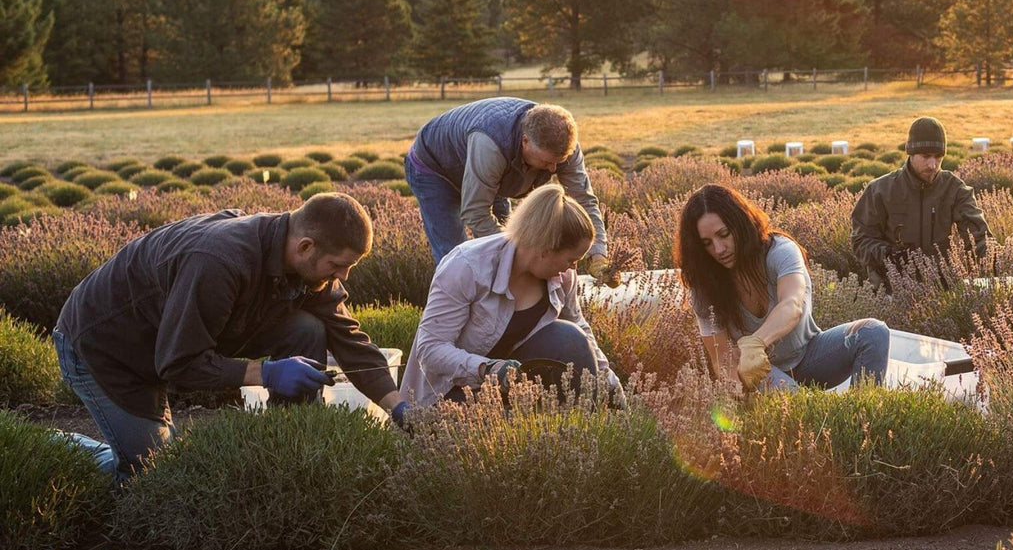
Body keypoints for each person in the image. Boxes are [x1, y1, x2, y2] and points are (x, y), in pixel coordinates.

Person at [52, 192, 404, 483]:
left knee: (308, 329)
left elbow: (349, 339)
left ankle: (285, 452)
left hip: (172, 336)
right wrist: (267, 373)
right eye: (339, 265)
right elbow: (178, 365)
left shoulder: (304, 263)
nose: (343, 276)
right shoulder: (219, 261)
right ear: (306, 246)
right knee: (157, 477)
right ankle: (57, 450)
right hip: (105, 349)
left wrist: (400, 407)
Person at [401, 183, 620, 408]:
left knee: (570, 336)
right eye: (571, 259)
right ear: (545, 249)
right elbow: (430, 349)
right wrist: (488, 369)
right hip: (449, 390)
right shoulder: (467, 267)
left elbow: (580, 329)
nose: (574, 267)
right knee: (507, 428)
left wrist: (609, 382)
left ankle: (590, 423)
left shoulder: (562, 276)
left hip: (514, 382)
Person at [677, 183, 889, 391]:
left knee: (873, 332)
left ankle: (862, 420)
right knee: (802, 408)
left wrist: (756, 343)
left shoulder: (779, 250)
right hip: (759, 371)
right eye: (707, 243)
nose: (719, 249)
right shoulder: (703, 284)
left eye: (724, 235)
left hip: (810, 357)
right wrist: (737, 390)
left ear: (740, 224)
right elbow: (721, 357)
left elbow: (792, 304)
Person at [405, 97, 614, 283]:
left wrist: (598, 255)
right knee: (454, 253)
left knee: (512, 238)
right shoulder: (491, 144)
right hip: (434, 169)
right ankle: (457, 313)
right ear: (525, 142)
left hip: (493, 171)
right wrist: (523, 255)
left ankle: (508, 308)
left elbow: (584, 201)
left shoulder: (564, 148)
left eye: (558, 163)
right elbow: (475, 211)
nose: (553, 170)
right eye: (547, 162)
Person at [850, 116, 991, 290]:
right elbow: (861, 240)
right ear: (910, 153)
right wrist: (889, 255)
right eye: (925, 156)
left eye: (938, 157)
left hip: (942, 291)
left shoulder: (955, 189)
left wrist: (1001, 259)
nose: (932, 165)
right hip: (890, 291)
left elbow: (978, 237)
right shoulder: (879, 190)